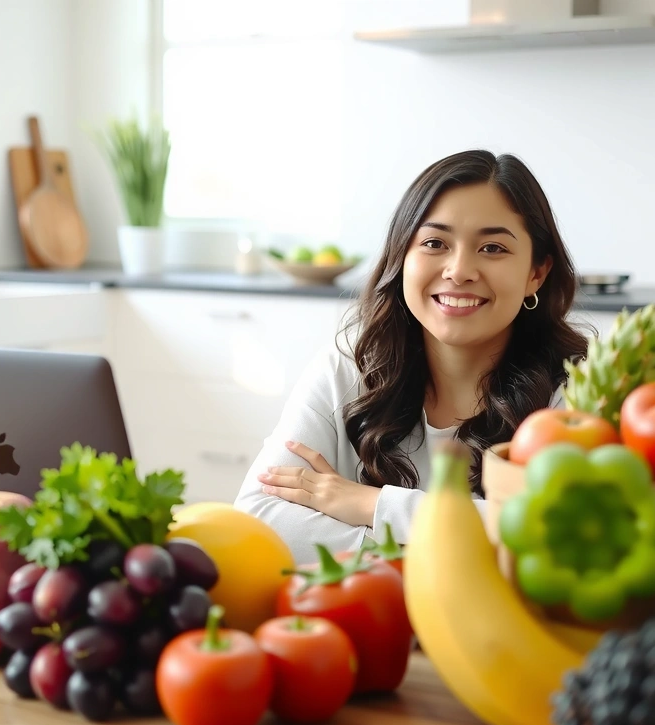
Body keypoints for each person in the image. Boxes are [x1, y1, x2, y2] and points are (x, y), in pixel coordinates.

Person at [233, 149, 590, 565]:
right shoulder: (348, 366)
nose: (459, 270)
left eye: (492, 248)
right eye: (435, 243)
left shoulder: (577, 390)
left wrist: (372, 505)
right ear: (403, 257)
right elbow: (260, 520)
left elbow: (558, 538)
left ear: (537, 273)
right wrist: (456, 548)